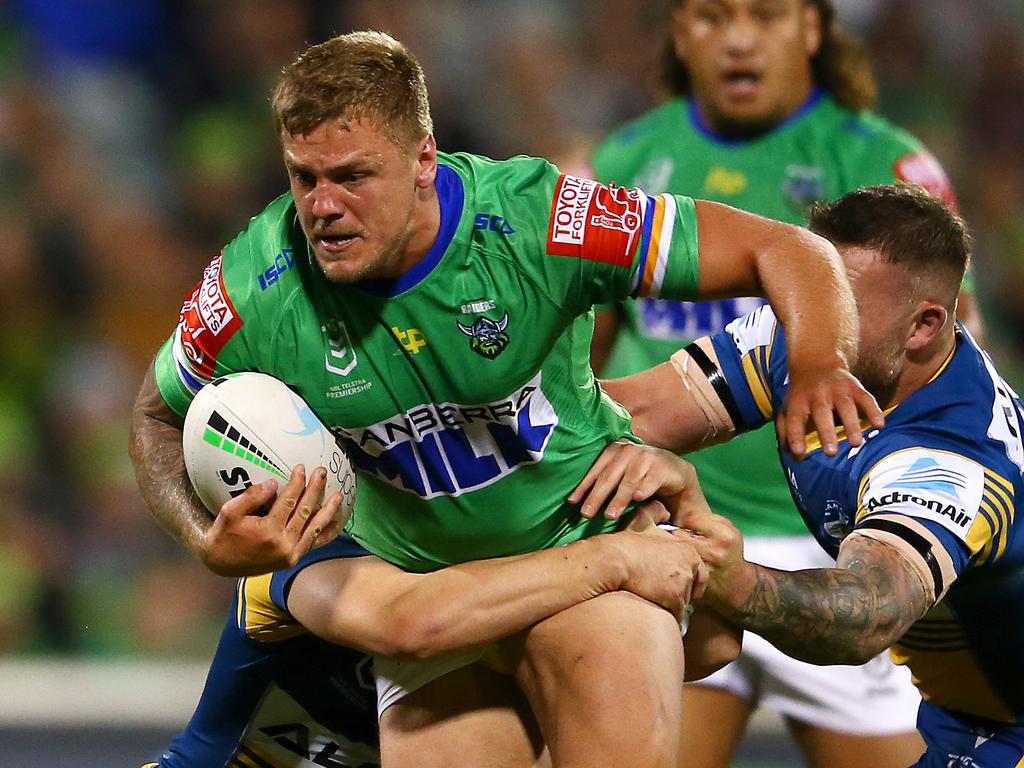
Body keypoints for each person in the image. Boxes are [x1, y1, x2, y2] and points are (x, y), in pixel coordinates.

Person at [129, 31, 881, 768]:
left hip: (585, 556)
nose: (323, 206)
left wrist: (820, 360)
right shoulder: (253, 284)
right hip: (437, 600)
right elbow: (155, 416)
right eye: (304, 177)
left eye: (353, 176)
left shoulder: (538, 222)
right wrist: (205, 540)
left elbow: (788, 248)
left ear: (423, 157)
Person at [587, 2, 982, 765]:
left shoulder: (886, 167)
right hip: (680, 537)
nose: (738, 39)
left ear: (811, 27)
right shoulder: (625, 161)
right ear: (678, 30)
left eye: (765, 16)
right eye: (711, 17)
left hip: (845, 551)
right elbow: (594, 367)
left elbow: (950, 349)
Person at [583, 185, 1024, 768]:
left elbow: (867, 613)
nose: (811, 313)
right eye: (811, 285)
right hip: (960, 718)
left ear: (923, 326)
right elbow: (636, 416)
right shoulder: (815, 336)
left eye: (839, 301)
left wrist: (720, 576)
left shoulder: (948, 460)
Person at [138, 485, 727, 768]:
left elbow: (712, 646)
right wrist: (615, 558)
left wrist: (694, 549)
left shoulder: (518, 574)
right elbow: (412, 620)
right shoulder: (304, 566)